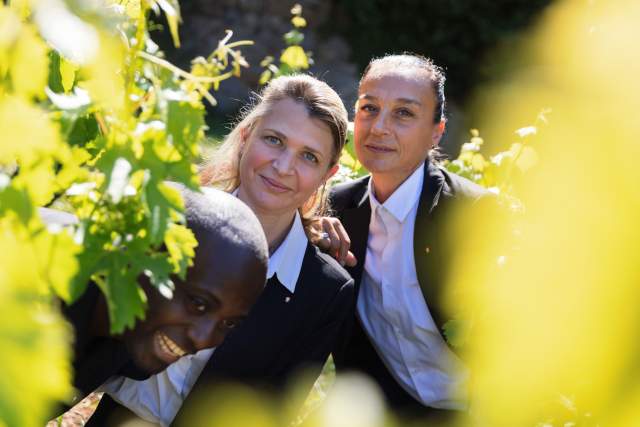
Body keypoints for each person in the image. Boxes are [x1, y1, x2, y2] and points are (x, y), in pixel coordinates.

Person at [86, 74, 355, 427]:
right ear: (245, 136)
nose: (283, 166)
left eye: (308, 156)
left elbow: (273, 412)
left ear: (327, 174)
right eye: (274, 140)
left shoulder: (324, 292)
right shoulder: (168, 218)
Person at [317, 54, 492, 421]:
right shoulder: (333, 210)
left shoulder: (476, 217)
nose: (379, 127)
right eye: (369, 108)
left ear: (436, 132)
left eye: (404, 113)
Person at [46, 186, 268, 407]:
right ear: (142, 254)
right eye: (198, 304)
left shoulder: (130, 335)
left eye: (228, 323)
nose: (202, 339)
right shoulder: (33, 284)